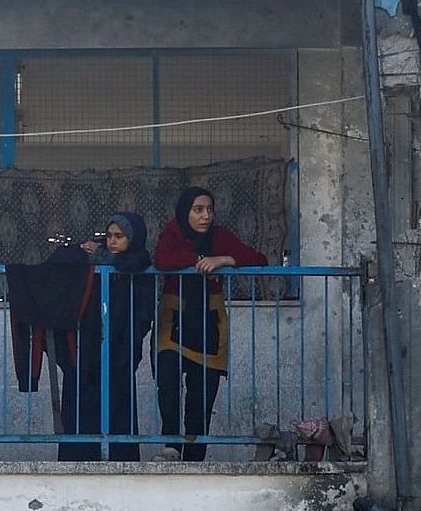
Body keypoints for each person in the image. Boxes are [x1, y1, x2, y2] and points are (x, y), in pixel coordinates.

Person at [153, 186, 270, 461]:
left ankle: (195, 455)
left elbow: (259, 259)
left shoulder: (220, 237)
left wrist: (226, 259)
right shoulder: (173, 233)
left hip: (210, 321)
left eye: (209, 210)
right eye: (198, 210)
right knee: (167, 380)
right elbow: (162, 258)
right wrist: (197, 261)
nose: (206, 216)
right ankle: (171, 445)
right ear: (185, 212)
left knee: (202, 392)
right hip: (175, 320)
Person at [61, 212, 152, 463]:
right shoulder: (97, 262)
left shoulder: (139, 263)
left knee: (118, 408)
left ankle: (120, 459)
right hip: (88, 349)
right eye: (109, 236)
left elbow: (143, 311)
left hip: (120, 350)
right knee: (82, 408)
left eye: (119, 237)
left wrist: (101, 255)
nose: (112, 241)